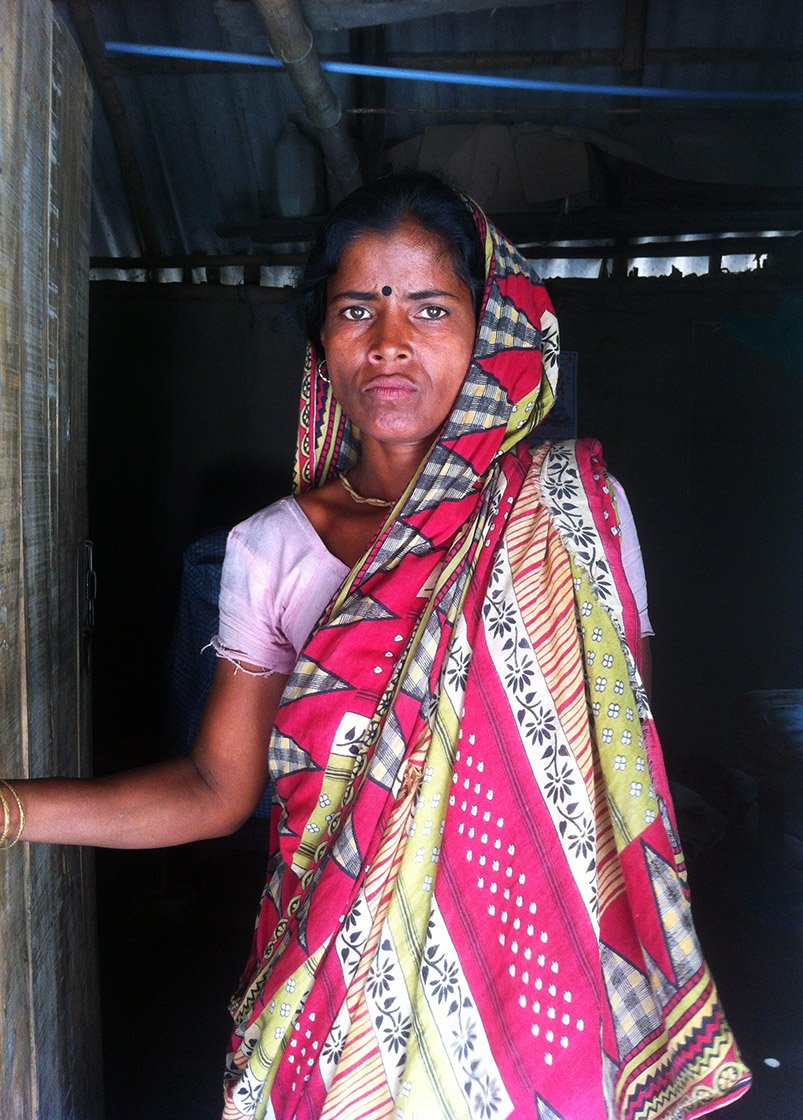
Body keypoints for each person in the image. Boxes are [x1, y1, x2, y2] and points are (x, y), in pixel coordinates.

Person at [1, 173, 749, 1119]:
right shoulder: (270, 546)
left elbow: (613, 779)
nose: (390, 344)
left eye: (430, 309)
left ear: (492, 333)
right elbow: (214, 791)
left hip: (541, 1000)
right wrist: (11, 813)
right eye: (359, 308)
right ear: (322, 335)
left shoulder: (569, 512)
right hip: (332, 992)